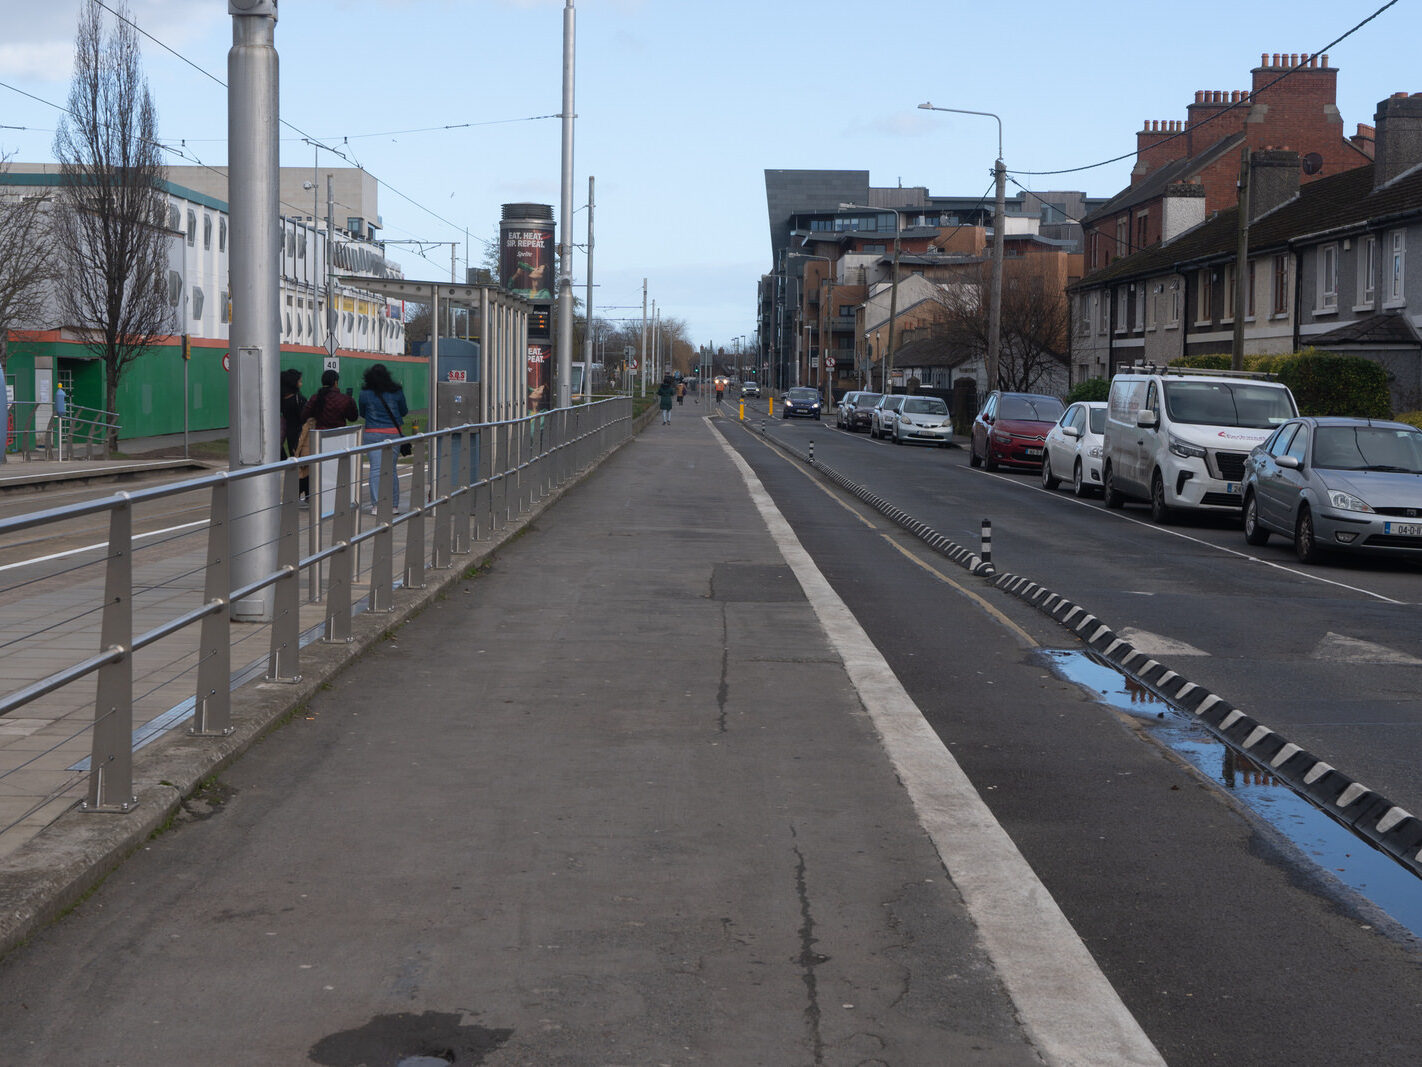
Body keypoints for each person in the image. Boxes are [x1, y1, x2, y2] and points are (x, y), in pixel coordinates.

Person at [358, 363, 408, 514]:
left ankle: (376, 505)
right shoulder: (397, 391)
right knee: (391, 470)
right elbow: (404, 411)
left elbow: (363, 413)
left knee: (375, 469)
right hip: (393, 433)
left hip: (372, 433)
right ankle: (393, 505)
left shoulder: (364, 393)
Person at [279, 369, 309, 502]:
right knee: (305, 466)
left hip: (290, 436)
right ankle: (302, 492)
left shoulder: (280, 399)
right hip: (300, 436)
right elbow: (305, 418)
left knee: (296, 465)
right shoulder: (298, 400)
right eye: (300, 381)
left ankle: (296, 493)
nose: (301, 384)